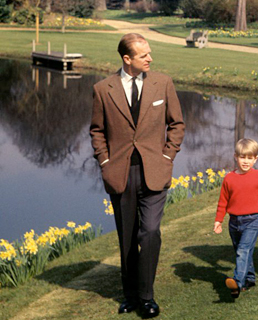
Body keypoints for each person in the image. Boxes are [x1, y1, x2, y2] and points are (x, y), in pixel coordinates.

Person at [90, 33, 185, 317]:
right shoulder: (102, 89)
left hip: (155, 171)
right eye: (144, 55)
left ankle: (147, 296)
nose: (150, 59)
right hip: (119, 173)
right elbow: (97, 131)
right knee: (128, 237)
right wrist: (105, 162)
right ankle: (130, 295)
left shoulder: (163, 83)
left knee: (151, 231)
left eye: (150, 54)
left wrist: (168, 156)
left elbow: (177, 124)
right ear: (127, 59)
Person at [214, 138, 258, 298]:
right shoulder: (229, 179)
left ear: (255, 159)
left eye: (249, 158)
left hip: (253, 220)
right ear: (235, 156)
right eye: (242, 157)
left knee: (243, 250)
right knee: (244, 251)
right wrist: (218, 220)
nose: (245, 161)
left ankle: (237, 283)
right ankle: (250, 279)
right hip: (234, 222)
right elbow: (222, 202)